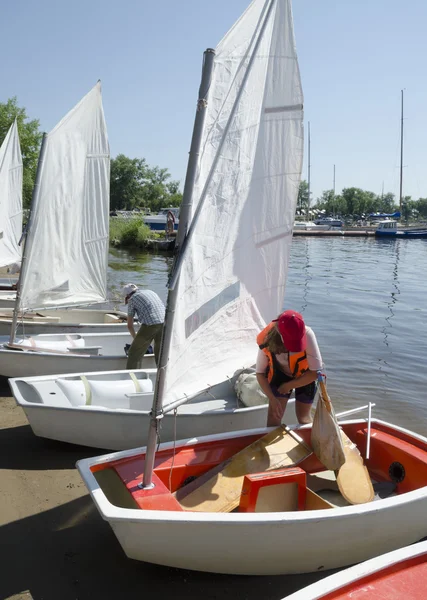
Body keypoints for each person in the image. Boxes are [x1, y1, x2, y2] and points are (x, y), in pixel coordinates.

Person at [256, 310, 323, 426]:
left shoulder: (308, 334)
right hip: (280, 374)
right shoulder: (266, 339)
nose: (295, 347)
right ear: (279, 332)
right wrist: (272, 398)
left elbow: (314, 372)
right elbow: (260, 374)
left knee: (303, 418)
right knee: (274, 417)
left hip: (305, 375)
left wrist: (289, 385)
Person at [123, 283, 165, 368]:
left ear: (127, 296)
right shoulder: (150, 292)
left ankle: (133, 377)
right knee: (160, 352)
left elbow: (129, 325)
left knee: (134, 353)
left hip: (150, 325)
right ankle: (161, 375)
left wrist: (136, 339)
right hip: (164, 322)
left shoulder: (132, 299)